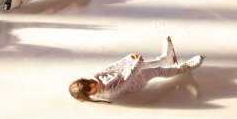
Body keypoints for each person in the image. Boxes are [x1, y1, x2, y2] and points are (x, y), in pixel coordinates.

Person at [69, 37, 204, 103]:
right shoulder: (109, 93)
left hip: (128, 70)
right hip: (136, 81)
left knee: (147, 63)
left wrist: (128, 59)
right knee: (158, 70)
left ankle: (167, 59)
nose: (92, 83)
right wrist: (136, 64)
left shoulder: (94, 78)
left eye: (88, 81)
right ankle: (185, 68)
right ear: (89, 94)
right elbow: (126, 81)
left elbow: (112, 67)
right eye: (90, 87)